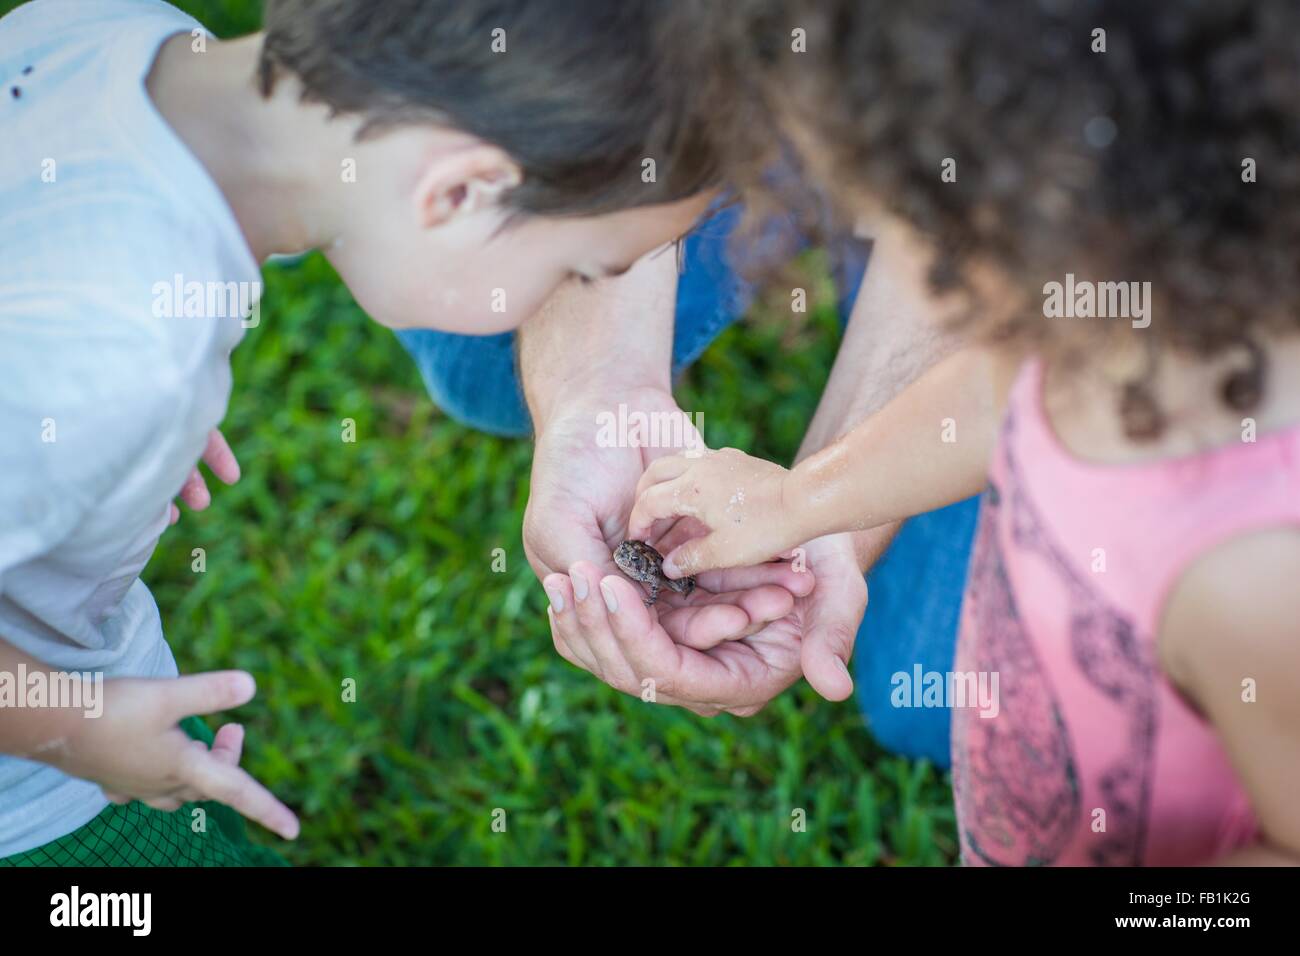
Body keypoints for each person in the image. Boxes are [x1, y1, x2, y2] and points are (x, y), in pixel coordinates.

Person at [0, 0, 720, 864]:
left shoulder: (113, 34)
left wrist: (108, 440)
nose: (546, 307)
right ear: (455, 193)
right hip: (47, 805)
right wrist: (83, 732)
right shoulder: (125, 355)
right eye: (574, 269)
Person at [630, 0, 1300, 865]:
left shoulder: (1253, 579)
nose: (888, 269)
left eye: (914, 236)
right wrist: (799, 505)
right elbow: (987, 404)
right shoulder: (1090, 323)